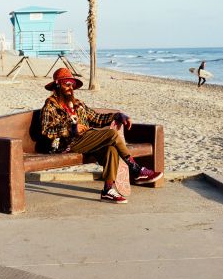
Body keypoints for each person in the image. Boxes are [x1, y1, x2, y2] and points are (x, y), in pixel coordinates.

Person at [41, 68, 163, 204]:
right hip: (67, 144)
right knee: (112, 134)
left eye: (72, 85)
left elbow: (97, 118)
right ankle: (135, 168)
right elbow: (46, 130)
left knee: (111, 150)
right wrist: (70, 129)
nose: (71, 88)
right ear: (58, 85)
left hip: (86, 139)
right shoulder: (50, 105)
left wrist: (117, 115)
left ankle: (108, 190)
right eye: (67, 84)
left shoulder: (78, 104)